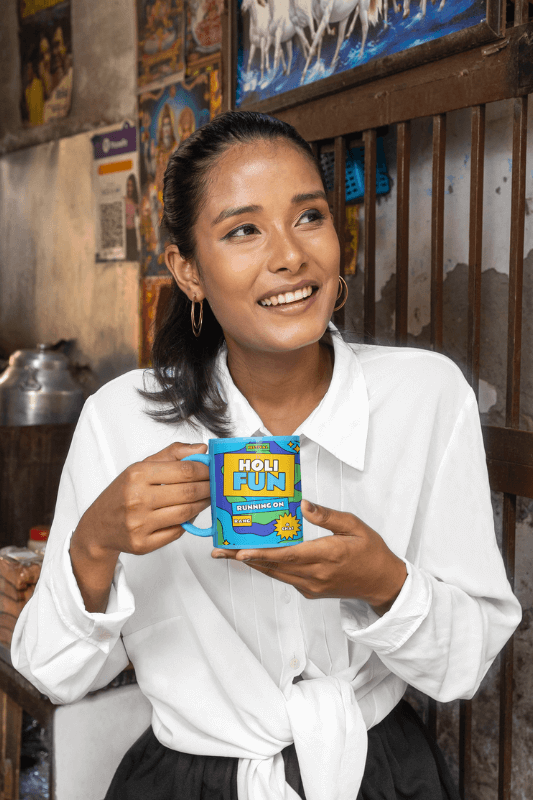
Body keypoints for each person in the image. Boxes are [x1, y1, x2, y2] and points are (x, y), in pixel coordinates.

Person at [12, 111, 521, 800]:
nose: (288, 255)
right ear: (187, 270)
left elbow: (461, 667)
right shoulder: (122, 417)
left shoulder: (424, 397)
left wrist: (383, 582)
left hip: (378, 774)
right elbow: (53, 674)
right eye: (242, 229)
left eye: (308, 217)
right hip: (183, 783)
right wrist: (94, 546)